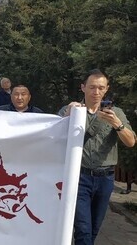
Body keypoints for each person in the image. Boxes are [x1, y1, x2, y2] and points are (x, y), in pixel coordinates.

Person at [58, 69, 135, 245]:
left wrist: (118, 124)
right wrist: (67, 117)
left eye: (101, 87)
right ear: (83, 87)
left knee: (93, 230)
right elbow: (53, 138)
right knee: (83, 229)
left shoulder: (116, 113)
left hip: (105, 178)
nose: (96, 92)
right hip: (79, 177)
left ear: (107, 89)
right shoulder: (70, 110)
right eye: (92, 87)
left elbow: (131, 142)